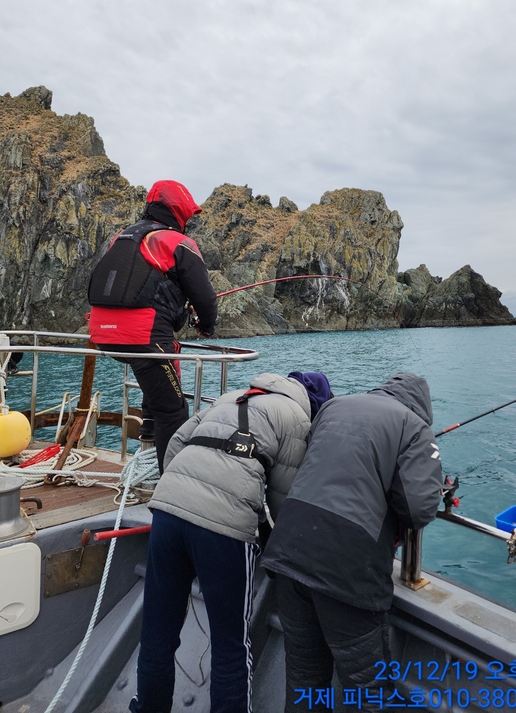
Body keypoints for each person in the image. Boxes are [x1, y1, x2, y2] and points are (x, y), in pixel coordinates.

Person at [129, 370, 332, 713]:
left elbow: (176, 442)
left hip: (167, 511)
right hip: (224, 527)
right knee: (230, 645)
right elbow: (284, 498)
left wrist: (182, 492)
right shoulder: (297, 418)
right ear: (314, 405)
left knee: (157, 633)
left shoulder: (231, 397)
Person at [261, 371, 443, 710]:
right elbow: (419, 508)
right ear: (422, 407)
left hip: (287, 550)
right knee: (368, 690)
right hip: (346, 568)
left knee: (304, 679)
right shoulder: (415, 427)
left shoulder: (334, 406)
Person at [87, 179, 218, 472]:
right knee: (173, 411)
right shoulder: (177, 242)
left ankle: (148, 432)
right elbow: (205, 298)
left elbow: (145, 287)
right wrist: (206, 326)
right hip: (143, 337)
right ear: (179, 211)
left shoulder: (123, 237)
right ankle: (169, 484)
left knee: (156, 382)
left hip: (102, 333)